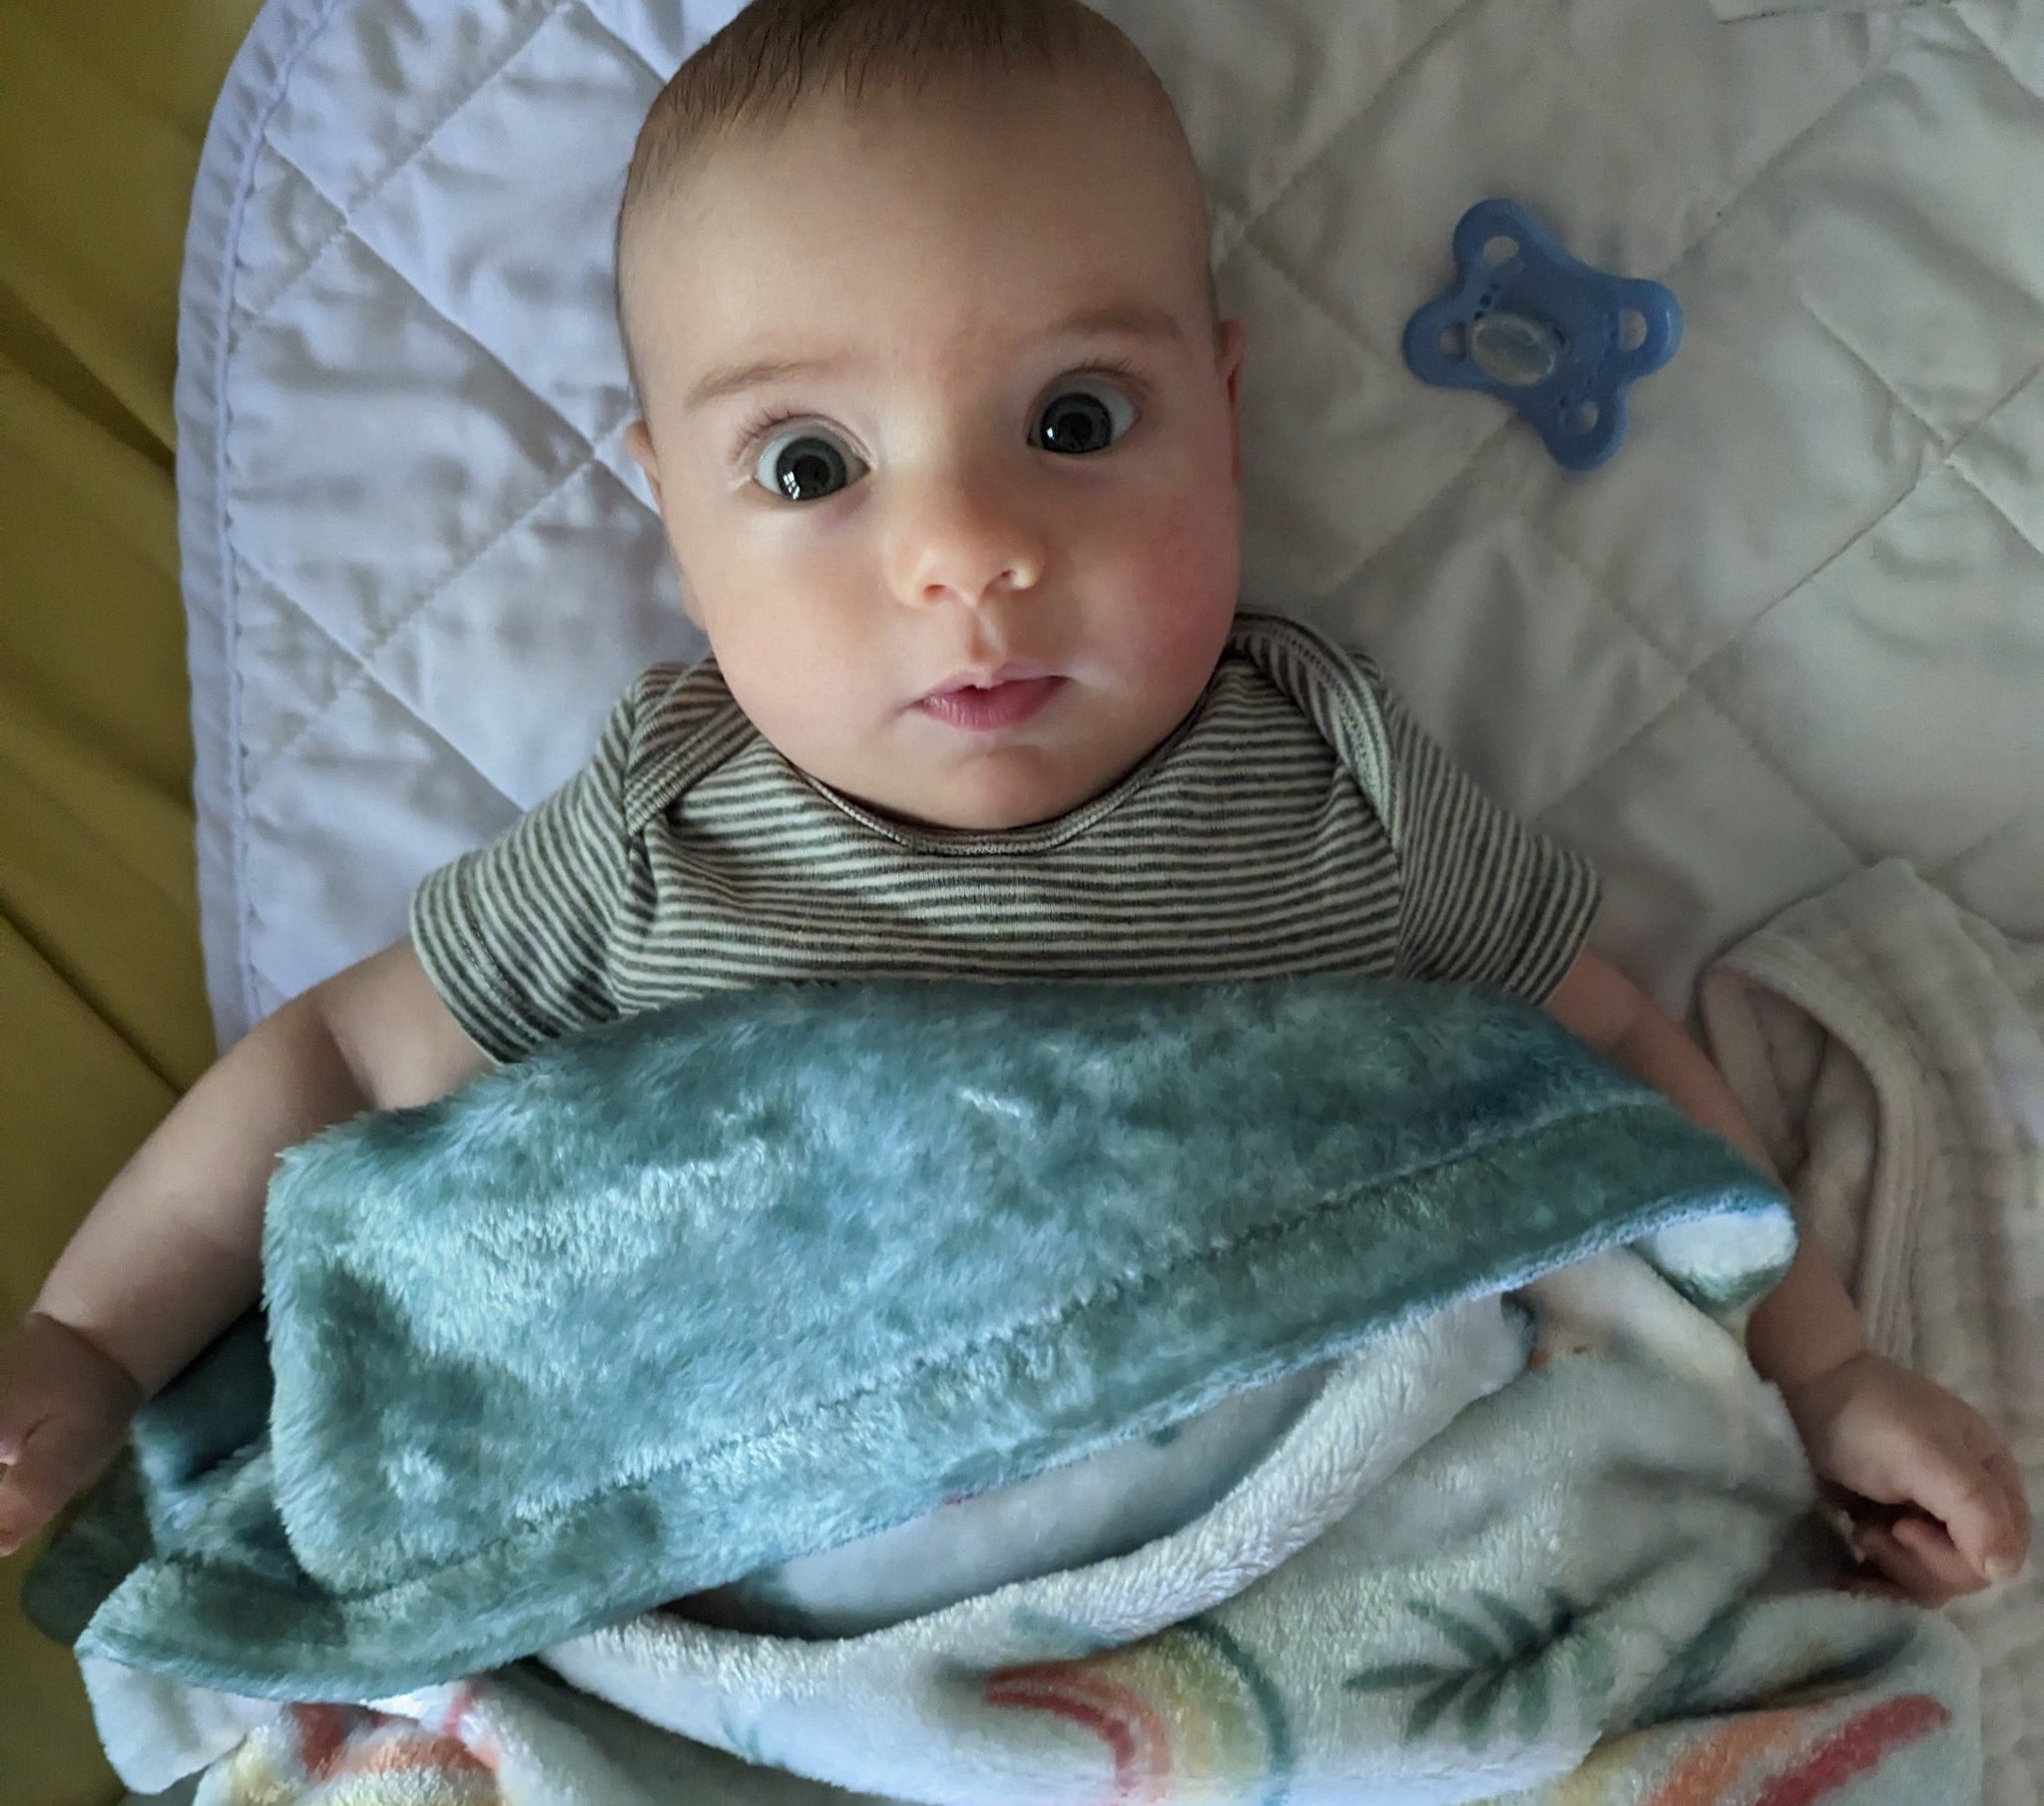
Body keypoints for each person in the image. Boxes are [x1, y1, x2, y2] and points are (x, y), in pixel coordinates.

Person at [0, 0, 2026, 1605]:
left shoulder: (1333, 779)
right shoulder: (658, 831)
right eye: (810, 467)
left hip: (1321, 1558)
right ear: (666, 514)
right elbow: (340, 1062)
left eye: (1072, 421)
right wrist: (88, 1343)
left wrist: (1820, 1367)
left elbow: (1608, 1061)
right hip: (779, 1594)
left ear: (1222, 423)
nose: (967, 547)